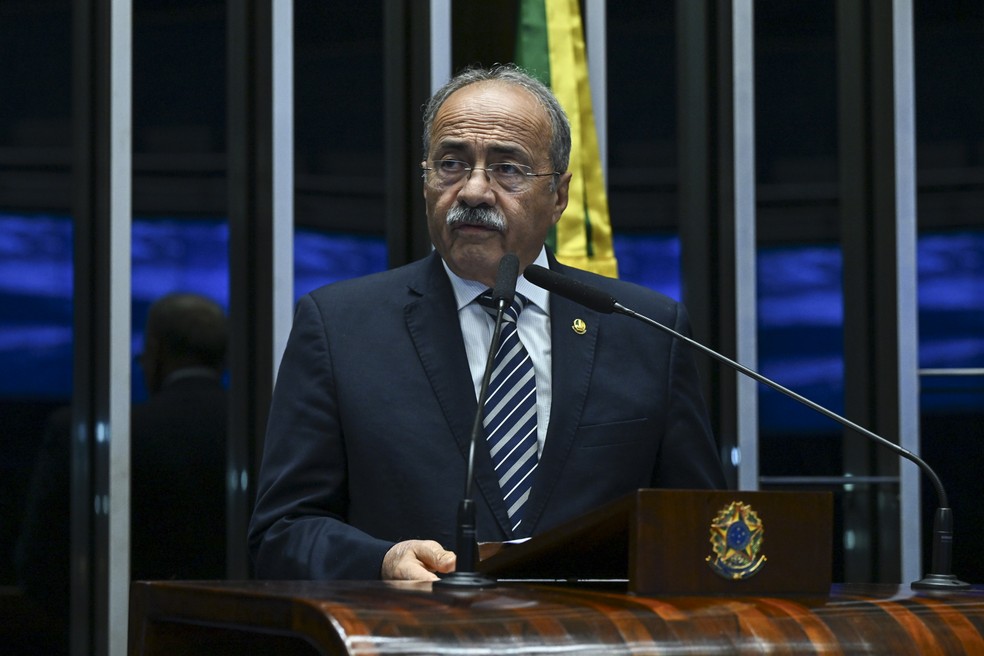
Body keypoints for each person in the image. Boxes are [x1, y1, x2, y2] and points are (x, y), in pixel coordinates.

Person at [248, 64, 726, 582]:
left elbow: (703, 527)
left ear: (560, 196)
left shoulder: (646, 329)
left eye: (508, 169)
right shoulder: (339, 328)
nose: (474, 191)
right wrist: (381, 562)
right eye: (451, 164)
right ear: (426, 180)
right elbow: (283, 531)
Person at [15, 292, 229, 647]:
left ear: (156, 350)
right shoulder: (267, 433)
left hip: (129, 638)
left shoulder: (85, 433)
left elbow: (41, 566)